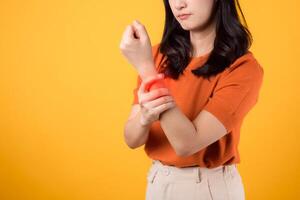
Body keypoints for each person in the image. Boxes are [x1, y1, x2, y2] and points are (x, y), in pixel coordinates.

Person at [120, 0, 264, 199]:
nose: (179, 4)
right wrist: (144, 118)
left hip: (208, 187)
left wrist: (146, 69)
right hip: (158, 182)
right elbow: (132, 139)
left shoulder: (243, 68)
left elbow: (187, 144)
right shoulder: (157, 57)